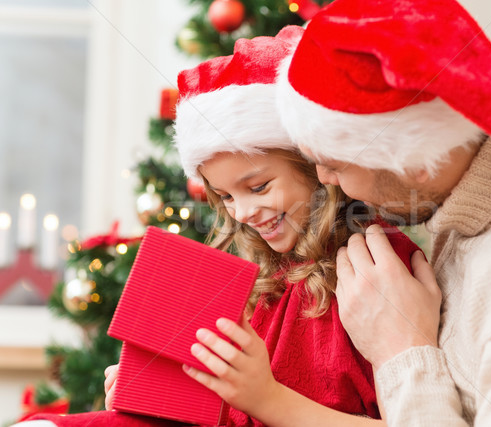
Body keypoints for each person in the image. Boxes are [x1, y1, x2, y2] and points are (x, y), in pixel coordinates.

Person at [16, 27, 420, 427]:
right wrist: (154, 398)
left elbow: (416, 418)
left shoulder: (378, 268)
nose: (241, 212)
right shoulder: (259, 284)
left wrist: (267, 398)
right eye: (225, 197)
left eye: (258, 187)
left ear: (315, 167)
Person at [276, 0, 491, 426]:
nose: (326, 179)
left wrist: (400, 350)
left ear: (412, 159)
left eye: (335, 163)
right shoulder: (483, 174)